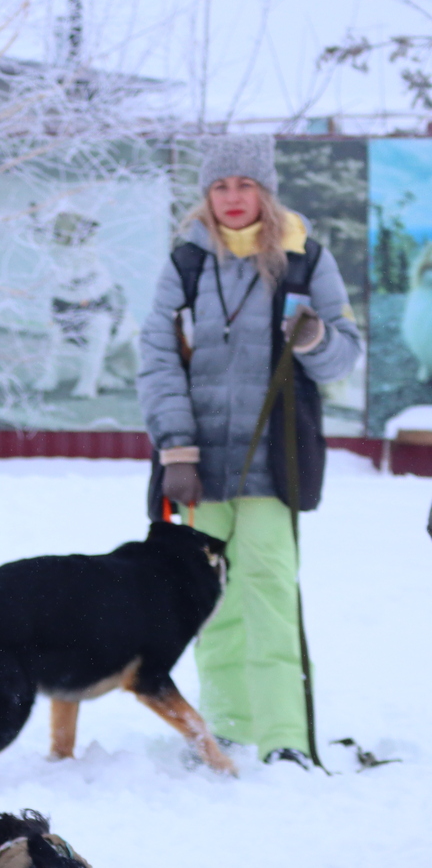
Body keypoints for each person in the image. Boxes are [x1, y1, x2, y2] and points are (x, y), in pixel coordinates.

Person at [136, 136, 362, 766]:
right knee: (209, 601)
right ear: (206, 196)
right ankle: (226, 728)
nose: (233, 198)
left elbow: (345, 353)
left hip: (274, 465)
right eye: (220, 186)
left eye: (245, 184)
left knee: (268, 592)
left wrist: (315, 337)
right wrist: (176, 450)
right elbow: (156, 357)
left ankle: (285, 737)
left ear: (266, 190)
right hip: (198, 469)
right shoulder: (185, 263)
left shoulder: (305, 259)